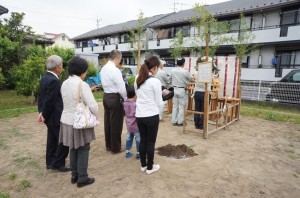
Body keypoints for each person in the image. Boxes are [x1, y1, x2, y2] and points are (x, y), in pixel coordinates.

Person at [59, 56, 98, 188]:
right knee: (83, 148)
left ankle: (74, 175)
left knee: (73, 147)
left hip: (66, 120)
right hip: (79, 121)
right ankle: (82, 178)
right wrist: (95, 115)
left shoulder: (64, 83)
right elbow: (92, 104)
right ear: (82, 71)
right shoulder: (82, 84)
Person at [37, 55, 69, 172]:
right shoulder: (54, 81)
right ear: (56, 67)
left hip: (49, 115)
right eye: (61, 65)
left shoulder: (44, 78)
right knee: (63, 140)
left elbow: (40, 97)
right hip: (55, 116)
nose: (62, 68)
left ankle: (50, 162)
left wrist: (41, 112)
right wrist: (43, 114)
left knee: (52, 140)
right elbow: (49, 100)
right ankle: (58, 163)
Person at [135, 56, 163, 175]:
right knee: (151, 142)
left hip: (140, 115)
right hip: (151, 115)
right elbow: (159, 102)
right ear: (155, 67)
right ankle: (150, 167)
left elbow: (138, 94)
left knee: (143, 140)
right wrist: (164, 99)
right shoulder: (155, 81)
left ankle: (143, 165)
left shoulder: (138, 77)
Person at [100, 50, 127, 154]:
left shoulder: (103, 69)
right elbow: (121, 88)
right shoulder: (115, 70)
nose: (119, 61)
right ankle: (116, 147)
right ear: (116, 58)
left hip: (106, 96)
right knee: (116, 123)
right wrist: (125, 99)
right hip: (115, 97)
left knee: (108, 122)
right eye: (119, 59)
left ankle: (109, 145)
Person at [171, 58, 193, 126]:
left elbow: (169, 79)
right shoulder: (185, 71)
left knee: (175, 106)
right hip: (182, 90)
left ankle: (174, 121)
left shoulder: (172, 70)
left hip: (174, 89)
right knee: (181, 107)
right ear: (183, 63)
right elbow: (191, 79)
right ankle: (180, 122)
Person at [123, 86, 140, 160]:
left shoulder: (124, 103)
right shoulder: (135, 104)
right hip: (136, 125)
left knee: (129, 138)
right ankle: (138, 154)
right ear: (134, 95)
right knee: (138, 139)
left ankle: (127, 152)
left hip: (129, 125)